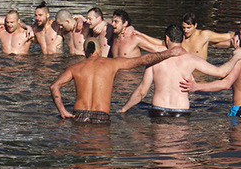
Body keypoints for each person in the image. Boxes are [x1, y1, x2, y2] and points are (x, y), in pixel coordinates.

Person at [119, 24, 241, 117]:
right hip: (180, 113)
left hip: (158, 111)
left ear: (166, 39)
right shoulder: (191, 59)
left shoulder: (155, 59)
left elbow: (142, 92)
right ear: (183, 40)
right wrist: (236, 57)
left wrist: (123, 109)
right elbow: (221, 72)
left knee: (159, 149)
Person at [49, 38, 187, 123]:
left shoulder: (75, 68)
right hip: (101, 117)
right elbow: (143, 60)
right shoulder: (112, 63)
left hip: (79, 116)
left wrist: (62, 110)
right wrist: (169, 53)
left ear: (85, 52)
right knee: (102, 158)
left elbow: (54, 86)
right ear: (101, 49)